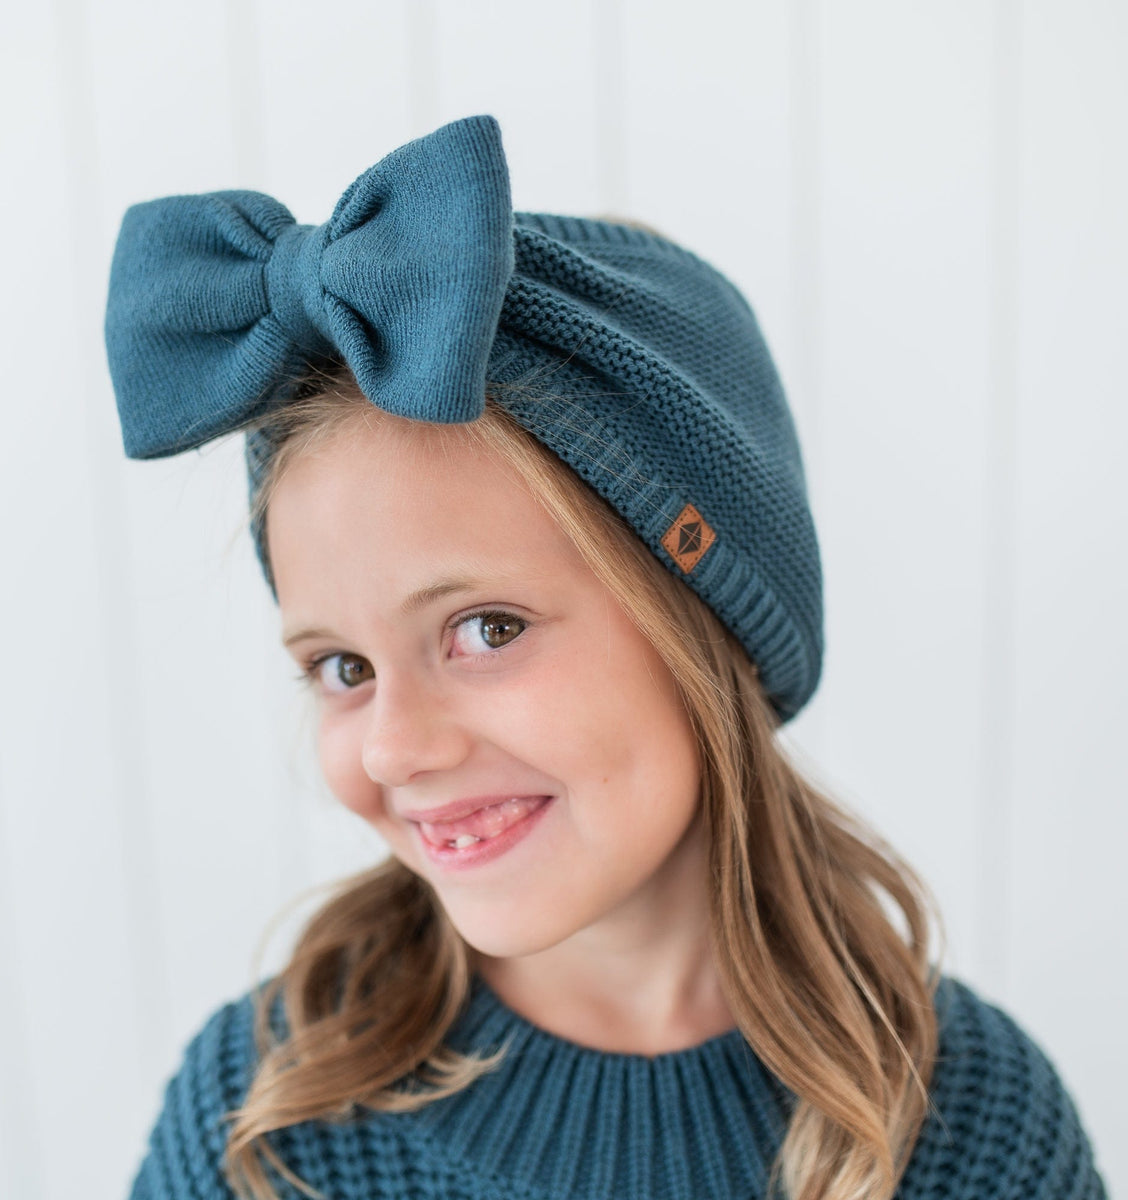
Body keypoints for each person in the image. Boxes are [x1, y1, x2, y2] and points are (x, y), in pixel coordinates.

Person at [105, 115, 1106, 1200]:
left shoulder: (971, 1127)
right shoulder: (266, 1116)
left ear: (706, 625)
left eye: (486, 629)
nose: (394, 747)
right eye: (343, 667)